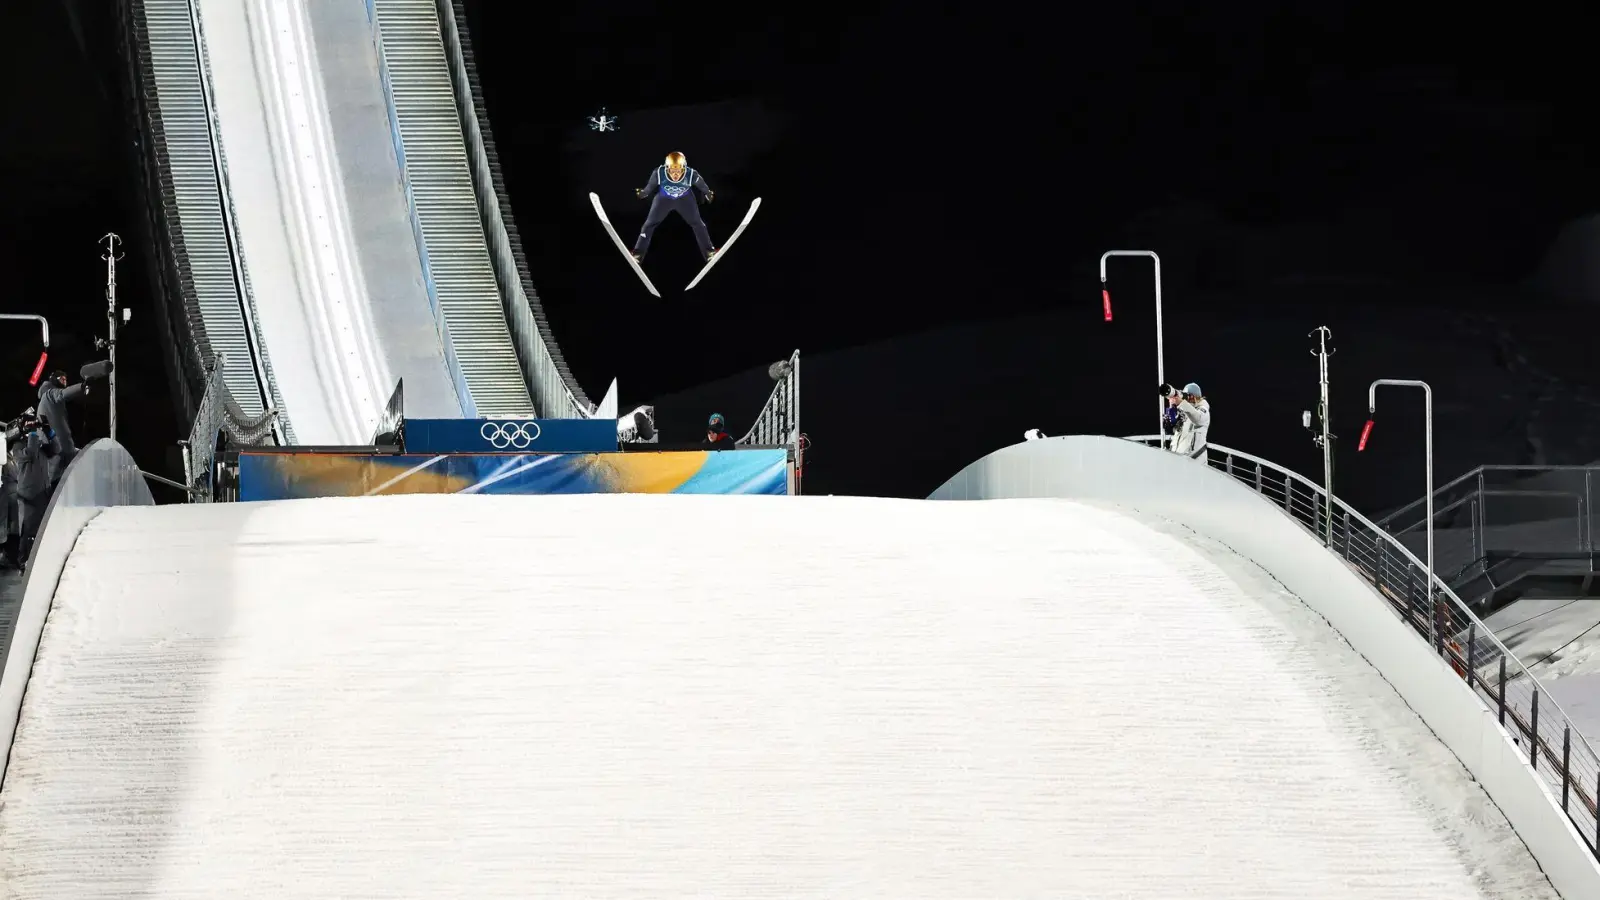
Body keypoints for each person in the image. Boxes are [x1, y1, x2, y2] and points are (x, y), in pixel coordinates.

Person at [632, 151, 718, 263]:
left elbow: (702, 185)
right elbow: (649, 187)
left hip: (685, 199)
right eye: (672, 170)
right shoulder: (659, 172)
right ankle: (638, 253)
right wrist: (643, 193)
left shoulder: (691, 174)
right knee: (648, 225)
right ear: (667, 168)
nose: (675, 174)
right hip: (664, 199)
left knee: (698, 223)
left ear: (684, 169)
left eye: (679, 171)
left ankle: (709, 252)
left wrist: (708, 193)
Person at [11, 409, 59, 570]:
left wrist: (48, 430)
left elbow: (56, 449)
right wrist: (32, 433)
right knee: (28, 530)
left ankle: (39, 559)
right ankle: (23, 561)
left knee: (41, 528)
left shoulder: (37, 443)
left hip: (43, 492)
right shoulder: (17, 446)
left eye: (33, 423)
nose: (33, 426)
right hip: (28, 495)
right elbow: (30, 454)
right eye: (29, 423)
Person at [1166, 382, 1211, 458]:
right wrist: (1172, 407)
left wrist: (1181, 403)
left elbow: (1197, 419)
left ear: (1194, 397)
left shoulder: (1203, 410)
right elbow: (1170, 428)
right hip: (1178, 459)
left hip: (1195, 461)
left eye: (1187, 396)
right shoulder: (1184, 411)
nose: (1185, 398)